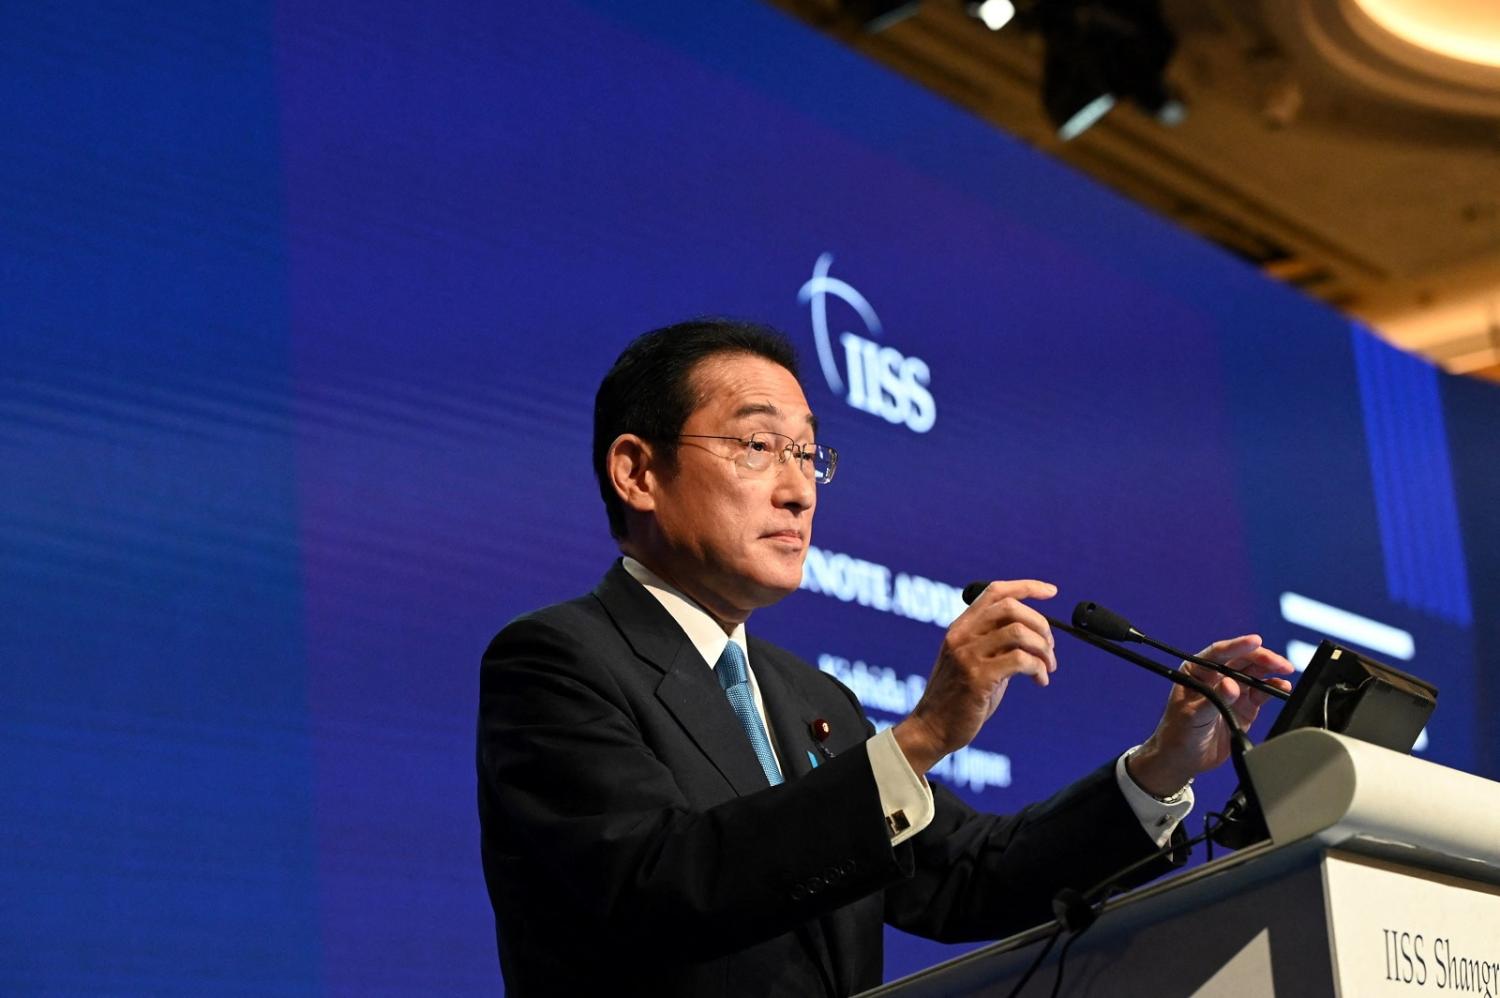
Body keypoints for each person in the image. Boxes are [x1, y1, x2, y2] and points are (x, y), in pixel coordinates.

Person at [477, 319, 1293, 996]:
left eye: (808, 455)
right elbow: (661, 885)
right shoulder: (557, 661)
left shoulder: (807, 695)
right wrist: (924, 733)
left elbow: (970, 875)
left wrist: (1160, 766)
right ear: (637, 472)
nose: (799, 491)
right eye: (759, 446)